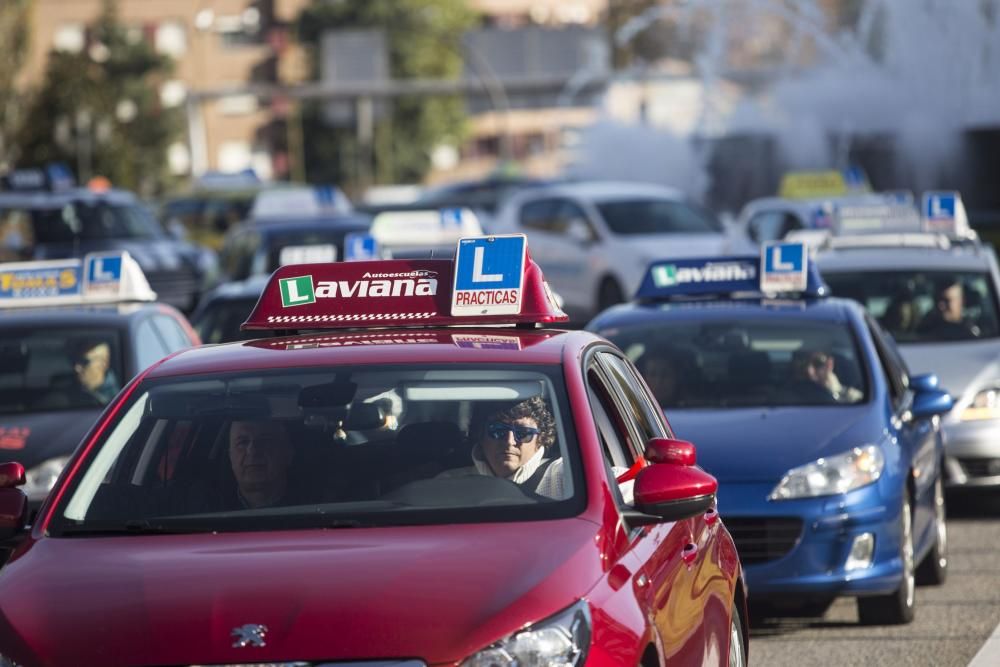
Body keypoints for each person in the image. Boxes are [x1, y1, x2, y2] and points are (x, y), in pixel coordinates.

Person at [440, 396, 565, 499]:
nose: (509, 441)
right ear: (481, 436)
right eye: (497, 430)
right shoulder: (449, 484)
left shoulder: (562, 476)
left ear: (540, 439)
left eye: (523, 433)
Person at [227, 420, 296, 509]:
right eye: (243, 442)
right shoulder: (209, 512)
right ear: (230, 457)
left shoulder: (314, 506)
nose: (252, 451)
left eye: (265, 440)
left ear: (288, 453)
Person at [790, 349, 863, 404]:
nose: (809, 371)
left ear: (829, 364)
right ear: (794, 365)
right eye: (803, 364)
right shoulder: (784, 395)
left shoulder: (851, 394)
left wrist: (838, 392)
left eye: (818, 363)